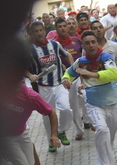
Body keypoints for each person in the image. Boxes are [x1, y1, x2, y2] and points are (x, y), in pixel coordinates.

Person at [64, 31, 117, 165]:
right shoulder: (80, 61)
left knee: (109, 138)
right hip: (93, 104)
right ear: (83, 46)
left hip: (112, 104)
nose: (91, 45)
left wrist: (92, 74)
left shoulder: (105, 57)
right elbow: (69, 72)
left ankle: (108, 161)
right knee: (101, 130)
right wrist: (65, 79)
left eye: (93, 42)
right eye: (87, 43)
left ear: (97, 43)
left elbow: (113, 74)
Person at [3, 81, 62, 165]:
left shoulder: (31, 96)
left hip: (22, 133)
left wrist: (54, 135)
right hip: (5, 136)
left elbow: (51, 113)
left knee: (29, 164)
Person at [28, 20, 75, 152]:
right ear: (32, 34)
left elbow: (68, 54)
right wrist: (30, 75)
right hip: (43, 87)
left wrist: (71, 71)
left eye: (41, 30)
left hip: (59, 84)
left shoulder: (55, 44)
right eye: (36, 31)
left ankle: (60, 131)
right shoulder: (30, 50)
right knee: (47, 115)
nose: (39, 33)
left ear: (45, 31)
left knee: (66, 109)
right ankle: (51, 140)